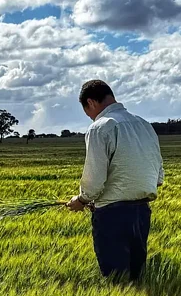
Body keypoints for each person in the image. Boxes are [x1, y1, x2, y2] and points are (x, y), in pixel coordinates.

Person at [67, 80, 164, 282]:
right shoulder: (144, 125)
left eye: (87, 111)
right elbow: (158, 176)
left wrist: (82, 200)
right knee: (137, 278)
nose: (90, 116)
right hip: (142, 212)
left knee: (116, 280)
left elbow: (94, 179)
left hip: (112, 215)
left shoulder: (100, 128)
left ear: (91, 102)